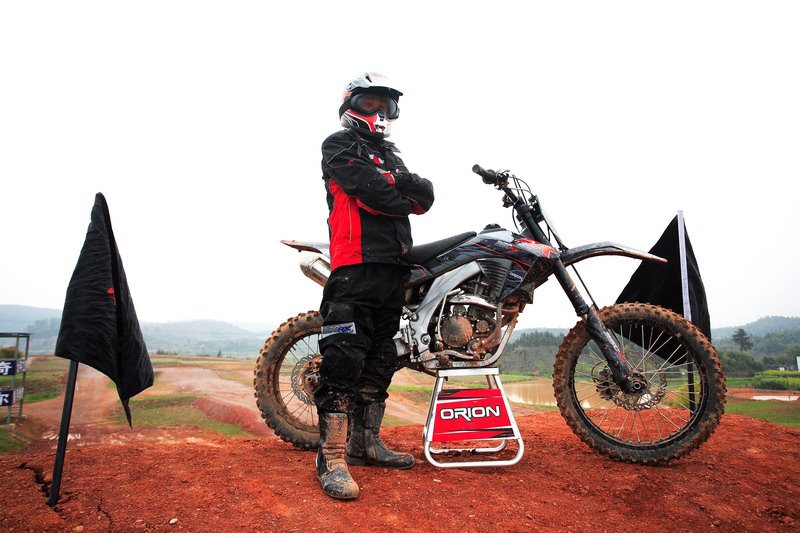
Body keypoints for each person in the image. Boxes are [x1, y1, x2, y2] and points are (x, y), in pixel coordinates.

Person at [314, 72, 434, 500]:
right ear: (351, 105)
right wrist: (397, 189)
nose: (380, 113)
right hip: (355, 267)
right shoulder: (338, 145)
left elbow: (425, 196)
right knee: (343, 359)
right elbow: (372, 194)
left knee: (381, 359)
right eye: (371, 105)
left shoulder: (390, 154)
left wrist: (393, 184)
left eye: (387, 107)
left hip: (394, 268)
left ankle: (366, 444)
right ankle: (331, 457)